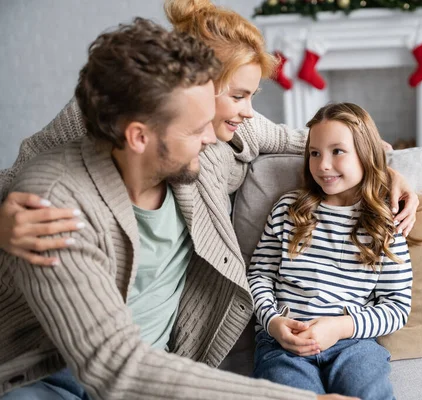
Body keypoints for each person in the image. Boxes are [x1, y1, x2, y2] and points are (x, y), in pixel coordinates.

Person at [0, 18, 357, 400]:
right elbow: (115, 367)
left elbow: (290, 138)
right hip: (53, 376)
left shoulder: (209, 150)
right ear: (138, 136)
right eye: (196, 128)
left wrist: (378, 173)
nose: (211, 138)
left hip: (157, 370)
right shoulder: (54, 204)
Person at [0, 0, 419, 268]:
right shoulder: (103, 113)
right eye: (238, 95)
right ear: (194, 81)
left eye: (252, 95)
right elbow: (19, 174)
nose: (250, 111)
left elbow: (307, 140)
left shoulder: (239, 132)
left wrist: (383, 170)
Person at [248, 103, 414, 400]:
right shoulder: (288, 209)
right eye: (315, 153)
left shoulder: (385, 222)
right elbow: (259, 276)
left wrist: (340, 327)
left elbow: (397, 307)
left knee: (369, 393)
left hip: (353, 343)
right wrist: (273, 323)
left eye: (337, 151)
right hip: (285, 346)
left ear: (365, 154)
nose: (323, 165)